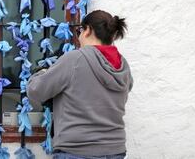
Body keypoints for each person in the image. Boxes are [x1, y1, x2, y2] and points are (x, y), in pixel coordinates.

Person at [27, 10, 133, 159]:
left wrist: (41, 72)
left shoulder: (75, 59)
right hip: (115, 150)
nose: (79, 36)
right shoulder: (123, 65)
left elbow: (36, 91)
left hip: (77, 150)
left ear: (88, 30)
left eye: (79, 31)